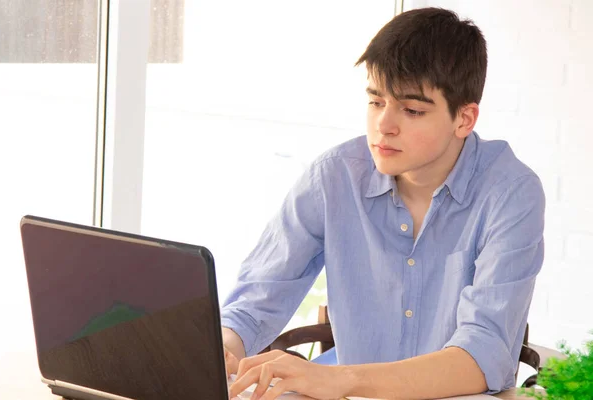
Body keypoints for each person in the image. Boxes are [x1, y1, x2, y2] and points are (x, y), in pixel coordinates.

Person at [221, 7, 545, 400]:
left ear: (464, 118)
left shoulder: (511, 192)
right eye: (376, 102)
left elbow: (483, 356)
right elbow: (254, 302)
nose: (384, 125)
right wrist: (224, 347)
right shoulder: (334, 176)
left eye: (412, 110)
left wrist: (338, 380)